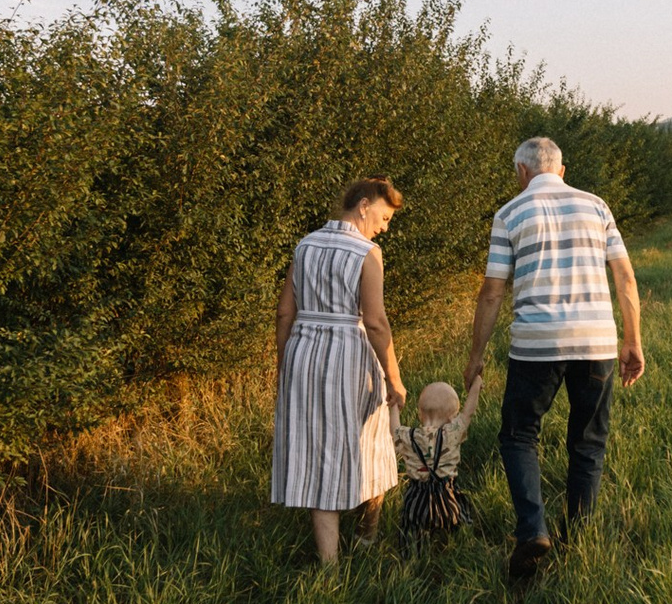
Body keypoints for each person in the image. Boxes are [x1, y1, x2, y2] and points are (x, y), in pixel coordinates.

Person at [462, 137, 645, 578]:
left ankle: (532, 531)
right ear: (561, 171)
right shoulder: (597, 206)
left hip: (535, 344)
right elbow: (624, 277)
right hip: (597, 341)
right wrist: (632, 341)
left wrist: (476, 355)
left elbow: (492, 291)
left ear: (522, 173)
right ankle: (577, 542)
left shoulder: (509, 213)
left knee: (519, 435)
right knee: (588, 443)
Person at [271, 178, 408, 564]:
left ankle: (329, 568)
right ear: (363, 206)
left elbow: (284, 312)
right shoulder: (367, 252)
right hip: (349, 357)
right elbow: (377, 323)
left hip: (303, 354)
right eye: (383, 217)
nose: (383, 227)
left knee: (318, 455)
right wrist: (394, 378)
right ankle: (367, 537)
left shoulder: (305, 245)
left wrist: (285, 364)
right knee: (373, 443)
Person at [394, 376, 483, 542]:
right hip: (446, 495)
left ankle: (413, 552)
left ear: (420, 413)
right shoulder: (452, 433)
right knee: (458, 517)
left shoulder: (409, 436)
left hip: (416, 496)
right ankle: (455, 541)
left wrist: (393, 405)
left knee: (411, 527)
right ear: (452, 417)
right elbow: (468, 413)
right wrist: (476, 385)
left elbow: (394, 429)